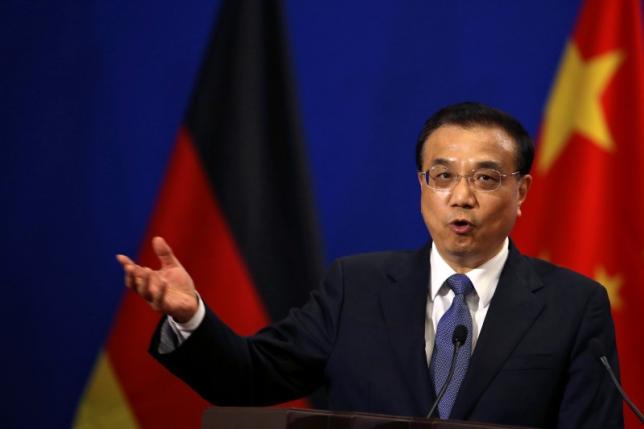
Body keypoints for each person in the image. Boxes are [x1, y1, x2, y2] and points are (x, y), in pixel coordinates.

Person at [117, 102, 623, 428]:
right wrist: (190, 317)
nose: (461, 197)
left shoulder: (573, 305)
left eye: (486, 179)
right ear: (422, 186)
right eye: (442, 176)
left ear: (521, 193)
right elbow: (247, 379)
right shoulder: (355, 286)